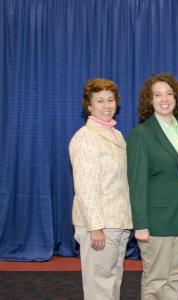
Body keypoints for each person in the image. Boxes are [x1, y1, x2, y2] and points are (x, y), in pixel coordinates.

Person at [127, 73, 178, 300]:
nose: (164, 99)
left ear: (177, 97)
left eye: (169, 93)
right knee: (155, 280)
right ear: (149, 100)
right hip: (156, 222)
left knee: (176, 277)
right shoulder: (142, 134)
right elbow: (136, 183)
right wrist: (140, 225)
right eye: (157, 95)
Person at [69, 78, 132, 300]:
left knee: (112, 281)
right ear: (89, 106)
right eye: (100, 101)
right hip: (100, 226)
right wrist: (95, 227)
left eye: (110, 100)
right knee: (99, 287)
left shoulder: (116, 135)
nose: (107, 105)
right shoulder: (86, 138)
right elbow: (86, 187)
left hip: (116, 222)